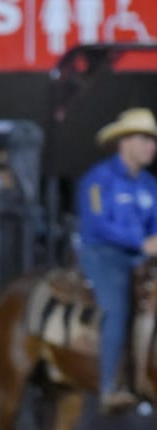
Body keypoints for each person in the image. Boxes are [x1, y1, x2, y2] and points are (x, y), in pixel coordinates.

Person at [76, 105, 157, 413]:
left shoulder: (150, 184)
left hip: (139, 257)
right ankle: (109, 386)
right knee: (117, 308)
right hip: (102, 255)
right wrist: (142, 242)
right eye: (144, 138)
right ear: (124, 142)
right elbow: (97, 224)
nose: (152, 145)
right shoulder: (99, 179)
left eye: (153, 139)